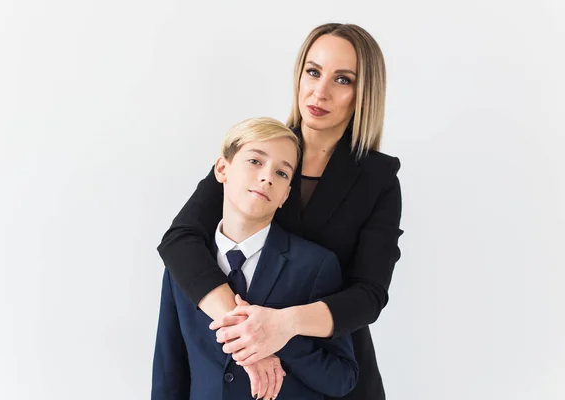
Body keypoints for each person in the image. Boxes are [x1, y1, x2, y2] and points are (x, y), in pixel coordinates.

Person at [158, 23, 403, 400]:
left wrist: (282, 326)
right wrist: (247, 332)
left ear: (362, 93)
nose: (320, 91)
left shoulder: (378, 179)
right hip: (239, 373)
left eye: (342, 79)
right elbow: (179, 242)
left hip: (331, 374)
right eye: (313, 71)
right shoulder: (261, 150)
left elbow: (369, 295)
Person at [151, 117, 358, 400]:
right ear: (222, 168)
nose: (267, 177)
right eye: (255, 161)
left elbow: (342, 378)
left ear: (285, 195)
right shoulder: (184, 266)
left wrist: (275, 336)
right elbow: (168, 370)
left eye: (282, 173)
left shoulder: (315, 266)